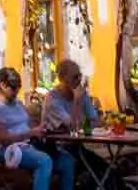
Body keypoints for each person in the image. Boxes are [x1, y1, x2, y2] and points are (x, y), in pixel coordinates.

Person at [38, 59, 103, 190]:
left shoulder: (82, 94)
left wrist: (81, 122)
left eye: (80, 76)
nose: (79, 80)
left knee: (104, 168)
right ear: (62, 78)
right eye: (74, 77)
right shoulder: (53, 100)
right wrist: (77, 102)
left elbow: (96, 120)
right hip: (57, 148)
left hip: (77, 146)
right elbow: (73, 127)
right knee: (95, 169)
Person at [0, 67, 53, 190]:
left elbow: (29, 124)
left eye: (18, 87)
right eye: (13, 88)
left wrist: (41, 127)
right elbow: (3, 140)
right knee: (44, 161)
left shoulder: (17, 103)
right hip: (11, 150)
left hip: (28, 145)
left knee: (66, 161)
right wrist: (30, 133)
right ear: (2, 85)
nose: (16, 92)